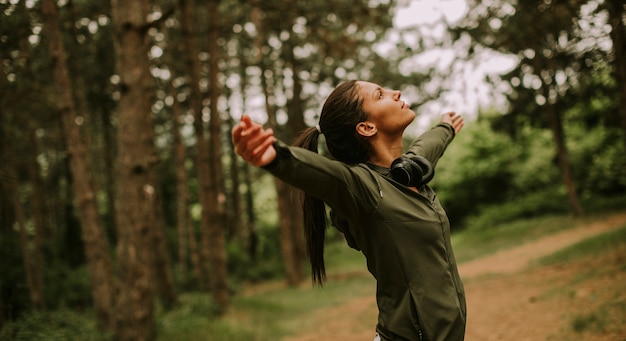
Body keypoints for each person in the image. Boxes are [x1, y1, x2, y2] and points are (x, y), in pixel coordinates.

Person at [232, 80, 466, 341]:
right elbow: (325, 175)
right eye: (380, 95)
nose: (395, 92)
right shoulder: (364, 188)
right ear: (366, 127)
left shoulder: (408, 173)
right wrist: (275, 157)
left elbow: (427, 147)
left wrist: (446, 126)